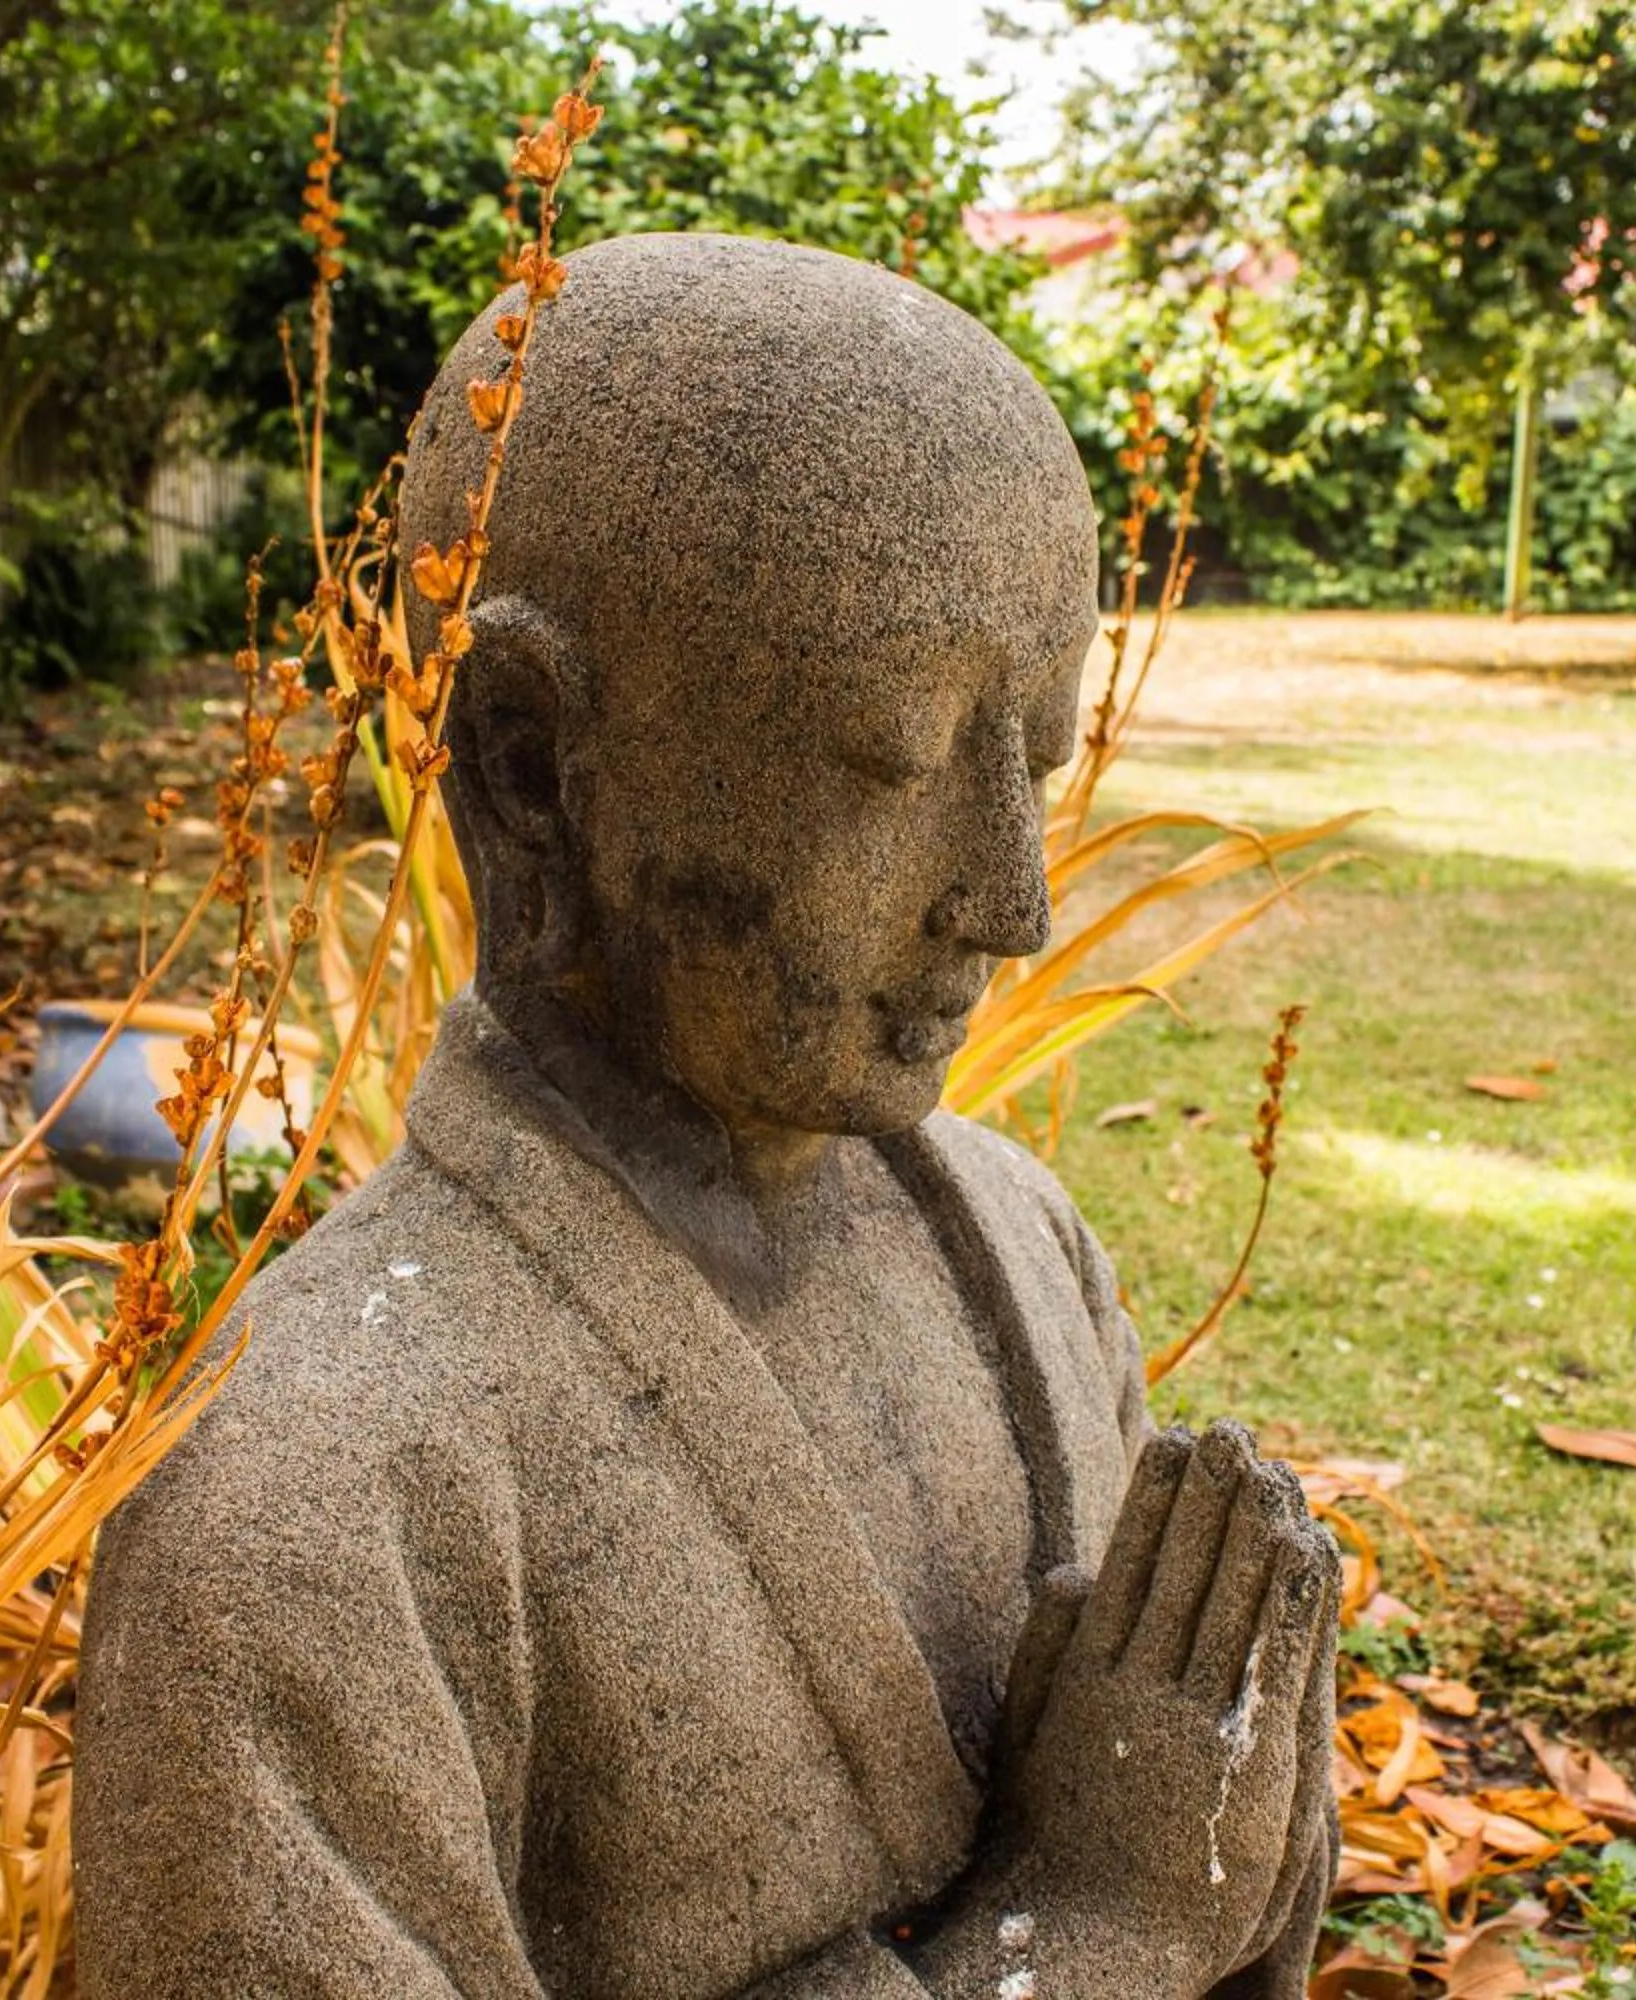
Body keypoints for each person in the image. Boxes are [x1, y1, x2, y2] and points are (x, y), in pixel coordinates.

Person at [77, 233, 1337, 2000]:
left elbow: (1218, 1874)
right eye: (897, 762)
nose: (1009, 897)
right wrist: (1093, 1935)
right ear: (532, 768)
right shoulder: (322, 1490)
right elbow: (1137, 1908)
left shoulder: (1022, 1248)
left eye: (1033, 764)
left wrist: (1239, 1798)